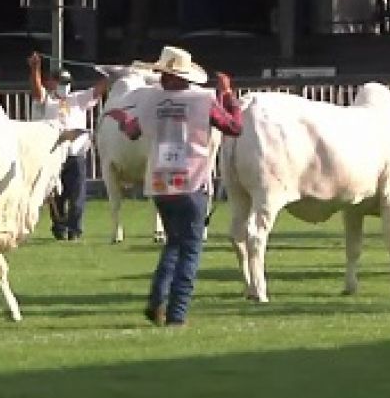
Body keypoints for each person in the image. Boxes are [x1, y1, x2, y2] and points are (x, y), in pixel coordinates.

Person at [105, 46, 243, 326]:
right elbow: (233, 127)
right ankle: (177, 313)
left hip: (160, 182)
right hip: (191, 183)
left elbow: (132, 132)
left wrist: (122, 119)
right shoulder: (203, 99)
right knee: (190, 251)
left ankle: (157, 300)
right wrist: (229, 96)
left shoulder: (149, 100)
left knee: (173, 245)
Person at [28, 52, 109, 241]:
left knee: (77, 195)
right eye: (60, 82)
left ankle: (75, 230)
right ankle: (59, 226)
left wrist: (110, 74)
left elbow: (97, 90)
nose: (64, 87)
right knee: (57, 196)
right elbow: (36, 90)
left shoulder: (77, 99)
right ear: (51, 83)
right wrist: (35, 69)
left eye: (67, 83)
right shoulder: (47, 101)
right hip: (55, 154)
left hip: (76, 154)